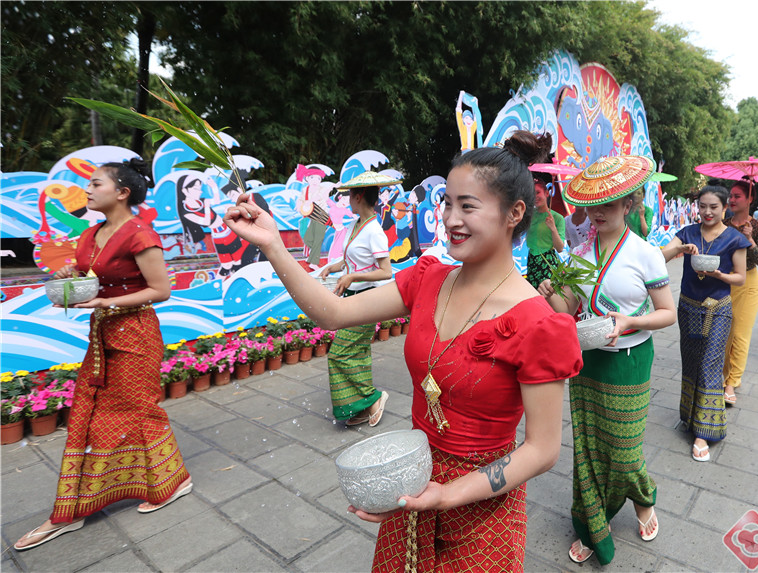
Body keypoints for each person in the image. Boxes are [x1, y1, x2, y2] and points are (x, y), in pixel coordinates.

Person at [223, 130, 582, 571]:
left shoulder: (539, 324)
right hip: (411, 485)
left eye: (468, 205)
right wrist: (273, 245)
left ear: (515, 213)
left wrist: (449, 493)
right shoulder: (427, 279)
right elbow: (333, 312)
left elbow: (543, 450)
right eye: (447, 203)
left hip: (484, 512)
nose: (451, 218)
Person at [15, 158, 192, 551]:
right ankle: (76, 505)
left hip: (136, 335)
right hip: (102, 336)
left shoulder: (140, 235)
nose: (88, 190)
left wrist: (106, 304)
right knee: (90, 414)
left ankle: (172, 481)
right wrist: (69, 278)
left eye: (96, 184)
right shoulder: (91, 234)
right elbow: (92, 279)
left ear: (122, 192)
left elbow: (160, 290)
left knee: (139, 409)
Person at [537, 175, 676, 565]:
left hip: (629, 361)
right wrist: (550, 295)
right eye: (593, 206)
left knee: (625, 450)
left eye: (608, 206)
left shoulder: (645, 253)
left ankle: (644, 498)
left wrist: (630, 322)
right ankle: (592, 524)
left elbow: (666, 313)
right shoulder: (579, 253)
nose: (597, 213)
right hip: (587, 358)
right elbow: (566, 312)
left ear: (628, 206)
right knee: (588, 446)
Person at [660, 185, 749, 462]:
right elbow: (660, 257)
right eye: (702, 206)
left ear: (725, 208)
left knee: (711, 365)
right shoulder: (687, 232)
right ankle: (690, 415)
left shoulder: (735, 238)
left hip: (718, 308)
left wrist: (720, 275)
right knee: (691, 361)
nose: (707, 212)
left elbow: (740, 278)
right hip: (687, 305)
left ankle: (704, 433)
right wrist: (679, 249)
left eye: (713, 207)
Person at [319, 176, 395, 427]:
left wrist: (352, 276)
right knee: (358, 352)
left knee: (338, 354)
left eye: (349, 195)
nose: (347, 200)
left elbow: (385, 271)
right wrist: (335, 266)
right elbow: (353, 258)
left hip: (367, 299)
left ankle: (372, 398)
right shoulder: (356, 225)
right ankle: (359, 409)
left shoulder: (375, 231)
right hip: (353, 298)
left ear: (359, 197)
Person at [722, 180, 758, 406]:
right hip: (724, 280)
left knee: (740, 334)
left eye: (738, 196)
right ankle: (721, 376)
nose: (732, 199)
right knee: (723, 333)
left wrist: (749, 239)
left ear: (750, 199)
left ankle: (732, 382)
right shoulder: (723, 224)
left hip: (748, 283)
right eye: (731, 195)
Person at [526, 171, 566, 288]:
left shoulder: (558, 218)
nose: (535, 197)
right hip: (532, 259)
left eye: (538, 192)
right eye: (532, 194)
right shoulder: (528, 215)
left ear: (547, 193)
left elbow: (560, 248)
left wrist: (553, 228)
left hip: (547, 260)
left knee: (548, 296)